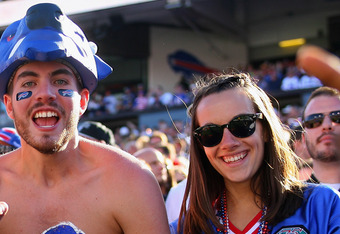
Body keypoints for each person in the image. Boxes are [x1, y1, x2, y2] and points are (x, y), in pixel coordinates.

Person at [0, 3, 170, 233]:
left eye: (60, 81)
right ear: (9, 106)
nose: (45, 94)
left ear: (82, 101)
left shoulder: (131, 182)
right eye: (29, 83)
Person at [170, 72, 340, 233]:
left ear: (266, 129)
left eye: (242, 124)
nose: (228, 143)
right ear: (200, 145)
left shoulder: (323, 206)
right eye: (210, 133)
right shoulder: (187, 228)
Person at [301, 86, 340, 191]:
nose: (326, 125)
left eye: (337, 117)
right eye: (314, 120)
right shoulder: (288, 203)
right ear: (304, 139)